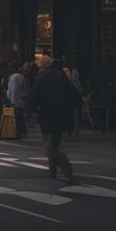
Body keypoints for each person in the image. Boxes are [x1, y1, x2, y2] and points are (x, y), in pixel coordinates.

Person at [26, 53, 78, 183]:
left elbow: (36, 95)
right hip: (64, 116)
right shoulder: (62, 76)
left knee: (49, 145)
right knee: (54, 143)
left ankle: (62, 161)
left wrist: (29, 110)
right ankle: (53, 172)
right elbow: (75, 95)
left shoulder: (43, 78)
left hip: (48, 115)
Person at [6, 62, 29, 138]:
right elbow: (24, 88)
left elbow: (10, 90)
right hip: (19, 99)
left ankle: (17, 131)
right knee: (20, 116)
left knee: (17, 116)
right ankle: (21, 131)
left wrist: (9, 97)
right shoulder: (20, 77)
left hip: (13, 99)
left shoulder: (11, 77)